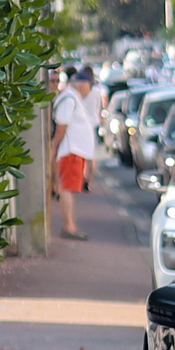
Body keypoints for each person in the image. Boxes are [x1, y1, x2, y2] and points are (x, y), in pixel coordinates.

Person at [50, 65, 97, 239]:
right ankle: (68, 226)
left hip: (75, 151)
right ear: (82, 84)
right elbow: (62, 126)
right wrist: (54, 147)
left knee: (67, 187)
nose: (90, 90)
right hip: (71, 151)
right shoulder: (70, 99)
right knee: (67, 188)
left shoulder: (72, 98)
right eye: (90, 85)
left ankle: (70, 224)